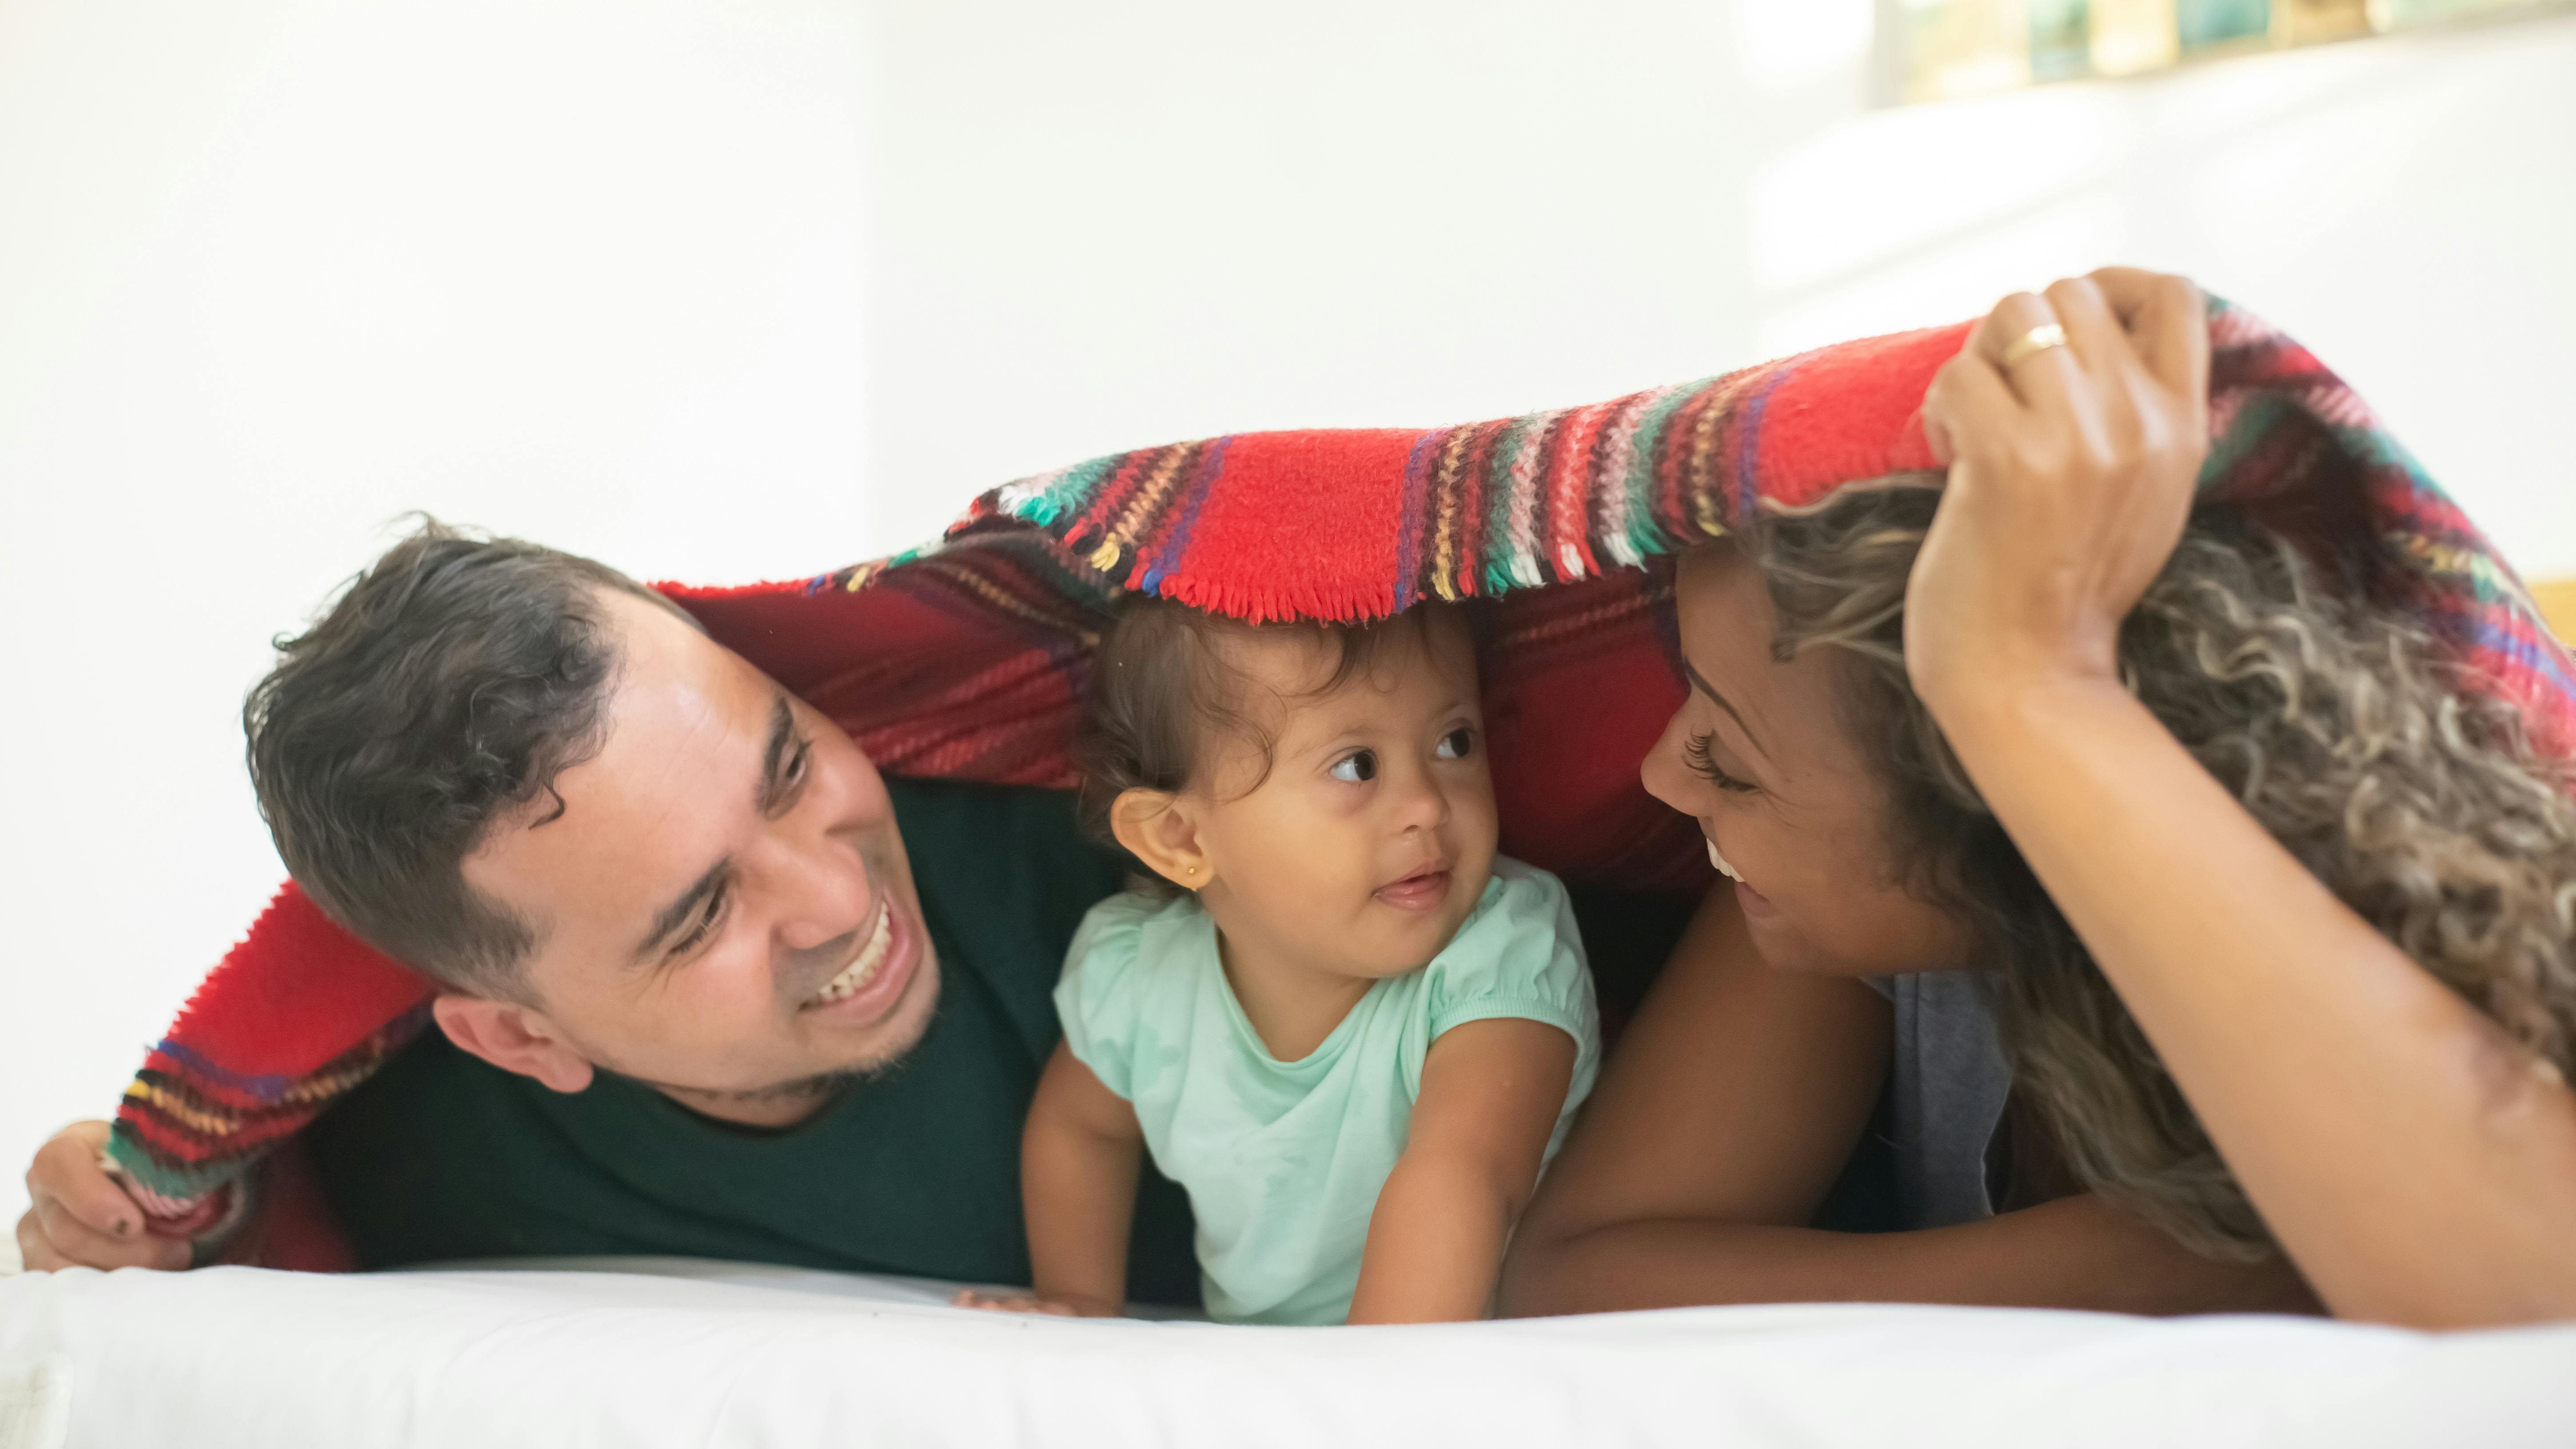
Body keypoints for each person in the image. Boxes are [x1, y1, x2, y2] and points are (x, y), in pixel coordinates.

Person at [1501, 270, 2576, 1329]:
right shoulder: (1851, 918)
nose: (1657, 775)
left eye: (1730, 757)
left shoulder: (2414, 926)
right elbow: (1572, 1279)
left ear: (1990, 813)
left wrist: (2026, 679)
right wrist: (2161, 1269)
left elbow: (2537, 1293)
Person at [15, 524, 1201, 1299]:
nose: (840, 898)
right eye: (698, 915)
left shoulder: (1145, 846)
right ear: (522, 1036)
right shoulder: (422, 1162)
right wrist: (169, 1213)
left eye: (787, 766)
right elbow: (235, 1215)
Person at [955, 599, 1598, 1325]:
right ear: (1180, 839)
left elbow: (1462, 1175)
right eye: (1356, 766)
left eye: (1454, 742)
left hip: (1466, 1363)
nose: (1425, 802)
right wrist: (1077, 1296)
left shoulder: (1501, 956)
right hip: (1266, 1371)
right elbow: (1080, 1124)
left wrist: (1358, 1397)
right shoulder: (1141, 978)